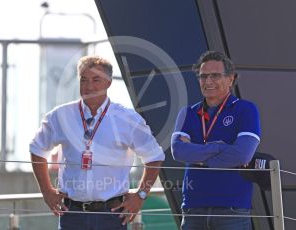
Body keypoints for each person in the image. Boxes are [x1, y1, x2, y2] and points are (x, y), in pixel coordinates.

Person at [30, 55, 165, 230]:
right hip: (72, 215)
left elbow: (155, 156)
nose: (89, 86)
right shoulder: (61, 115)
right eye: (83, 80)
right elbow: (37, 149)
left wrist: (141, 195)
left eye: (96, 80)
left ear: (108, 83)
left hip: (112, 215)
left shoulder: (127, 118)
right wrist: (47, 191)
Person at [171, 51, 261, 230]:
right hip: (192, 210)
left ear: (231, 79)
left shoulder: (246, 109)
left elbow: (242, 155)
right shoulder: (188, 113)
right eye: (203, 76)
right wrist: (217, 148)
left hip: (232, 210)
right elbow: (178, 151)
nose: (208, 81)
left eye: (215, 75)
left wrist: (197, 155)